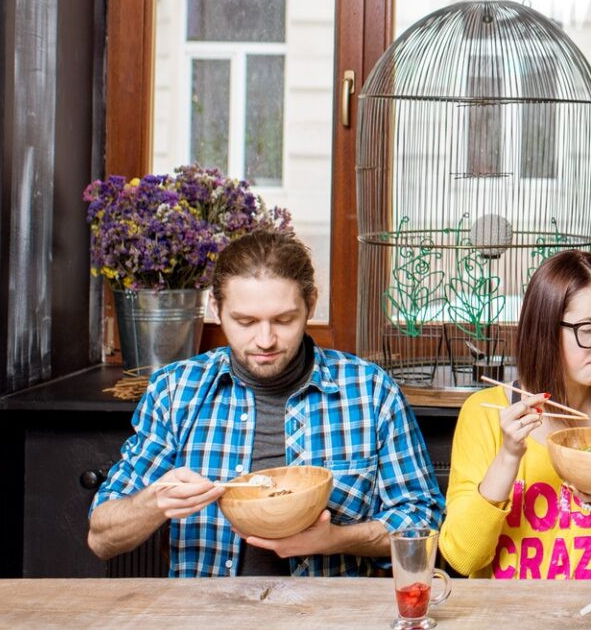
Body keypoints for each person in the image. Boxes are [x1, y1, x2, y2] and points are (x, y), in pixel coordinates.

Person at [87, 229, 443, 576]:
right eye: (245, 321)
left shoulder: (369, 390)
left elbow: (424, 523)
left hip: (328, 621)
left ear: (311, 304)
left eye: (284, 320)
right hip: (203, 622)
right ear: (215, 307)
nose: (265, 340)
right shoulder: (176, 390)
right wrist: (154, 503)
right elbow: (101, 537)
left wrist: (334, 539)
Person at [440, 250, 591, 579]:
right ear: (545, 329)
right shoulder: (485, 413)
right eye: (589, 328)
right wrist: (508, 455)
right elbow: (464, 558)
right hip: (503, 622)